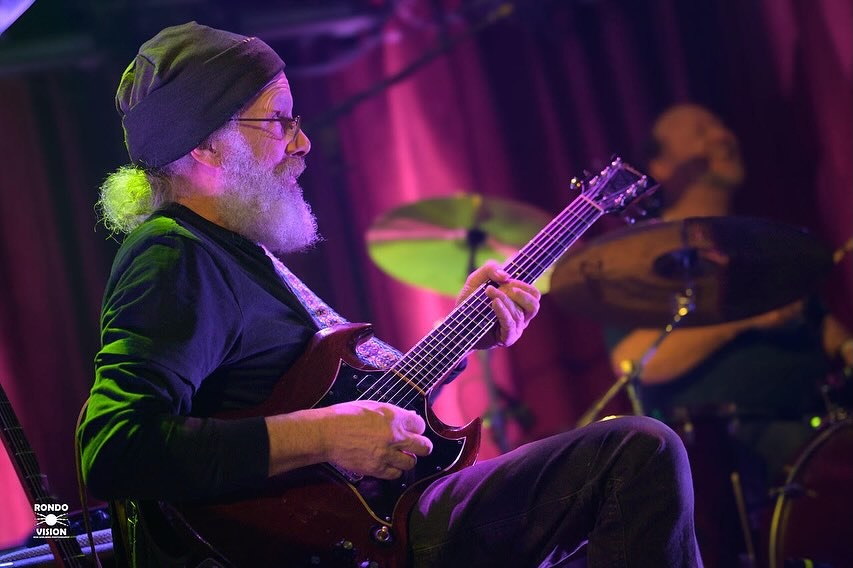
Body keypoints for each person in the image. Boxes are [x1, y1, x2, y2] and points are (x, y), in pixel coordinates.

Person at [77, 22, 703, 568]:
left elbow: (357, 401)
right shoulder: (174, 254)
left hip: (374, 519)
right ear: (206, 143)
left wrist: (468, 327)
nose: (302, 141)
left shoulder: (235, 251)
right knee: (634, 454)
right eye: (278, 119)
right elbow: (114, 448)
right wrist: (322, 436)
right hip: (329, 541)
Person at [608, 104, 853, 564]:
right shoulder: (638, 260)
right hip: (739, 450)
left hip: (826, 418)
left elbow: (822, 326)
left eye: (722, 124)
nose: (722, 135)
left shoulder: (763, 244)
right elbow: (635, 362)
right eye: (701, 132)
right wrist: (749, 319)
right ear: (661, 166)